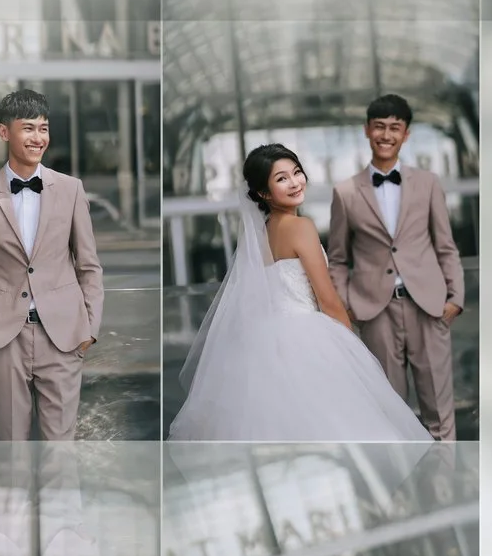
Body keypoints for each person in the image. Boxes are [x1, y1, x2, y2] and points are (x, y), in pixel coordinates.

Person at [168, 145, 430, 441]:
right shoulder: (300, 227)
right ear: (264, 193)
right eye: (281, 179)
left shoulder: (262, 232)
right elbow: (327, 300)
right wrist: (353, 350)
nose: (295, 182)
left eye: (296, 172)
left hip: (264, 342)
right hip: (310, 335)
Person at [0, 88, 106, 441]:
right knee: (10, 446)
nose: (38, 138)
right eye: (29, 128)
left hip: (64, 336)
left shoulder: (71, 190)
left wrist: (90, 325)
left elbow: (88, 264)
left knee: (60, 447)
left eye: (44, 128)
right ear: (4, 132)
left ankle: (58, 500)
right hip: (3, 338)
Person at [326, 93, 467, 441]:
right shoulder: (345, 192)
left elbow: (445, 246)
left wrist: (455, 299)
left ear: (406, 134)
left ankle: (445, 488)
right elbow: (339, 258)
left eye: (394, 127)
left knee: (440, 414)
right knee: (389, 411)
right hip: (376, 312)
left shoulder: (429, 183)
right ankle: (404, 492)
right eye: (379, 127)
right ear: (366, 131)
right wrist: (347, 306)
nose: (386, 135)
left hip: (429, 308)